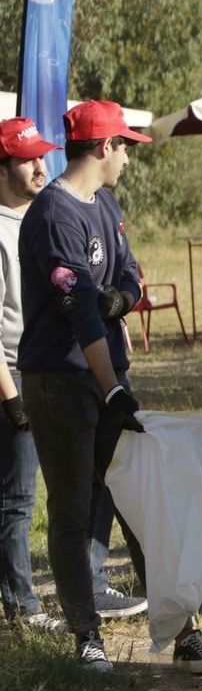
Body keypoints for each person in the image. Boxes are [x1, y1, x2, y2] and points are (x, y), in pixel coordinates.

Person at [18, 102, 202, 673]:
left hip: (107, 374)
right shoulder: (55, 215)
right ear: (103, 147)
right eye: (125, 145)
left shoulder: (104, 203)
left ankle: (183, 630)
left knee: (141, 502)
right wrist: (112, 389)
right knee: (73, 509)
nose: (129, 155)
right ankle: (86, 637)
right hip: (60, 381)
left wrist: (123, 300)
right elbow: (80, 313)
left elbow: (128, 276)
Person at [1, 118, 61, 630]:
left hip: (46, 367)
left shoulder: (40, 217)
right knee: (17, 499)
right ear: (3, 170)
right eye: (27, 159)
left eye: (41, 157)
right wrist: (10, 397)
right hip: (12, 375)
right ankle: (23, 606)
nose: (40, 166)